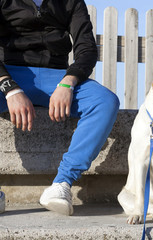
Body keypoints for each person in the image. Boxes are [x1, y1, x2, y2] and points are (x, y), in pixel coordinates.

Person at [0, 0, 120, 215]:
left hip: (56, 76)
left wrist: (69, 81)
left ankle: (62, 184)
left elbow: (86, 48)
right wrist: (10, 88)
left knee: (105, 101)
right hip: (9, 73)